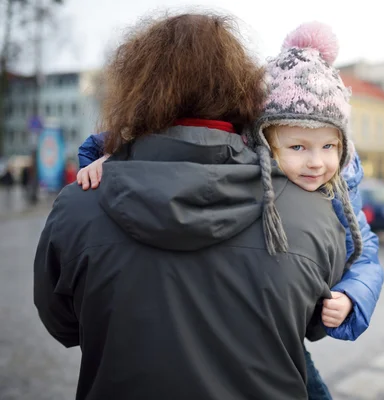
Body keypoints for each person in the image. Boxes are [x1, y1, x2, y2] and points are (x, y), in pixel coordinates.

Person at [34, 13, 348, 400]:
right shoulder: (312, 210)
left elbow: (64, 324)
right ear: (246, 92)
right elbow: (318, 322)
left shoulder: (77, 204)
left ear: (136, 90)